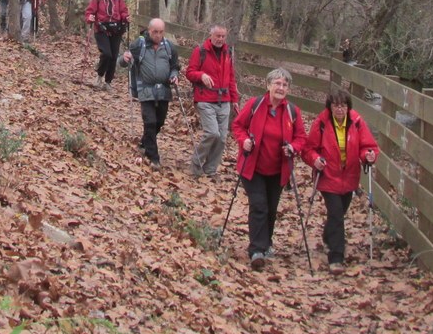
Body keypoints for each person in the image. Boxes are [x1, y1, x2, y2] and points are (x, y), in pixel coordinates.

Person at [231, 68, 307, 268]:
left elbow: (301, 138)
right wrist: (244, 140)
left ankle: (266, 243)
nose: (281, 88)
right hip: (253, 167)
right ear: (268, 85)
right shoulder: (255, 105)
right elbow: (238, 126)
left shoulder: (292, 111)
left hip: (278, 169)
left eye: (284, 85)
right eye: (277, 84)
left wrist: (293, 148)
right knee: (259, 206)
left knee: (271, 209)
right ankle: (256, 249)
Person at [301, 85, 379, 274]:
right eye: (336, 106)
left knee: (339, 213)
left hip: (350, 177)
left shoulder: (357, 122)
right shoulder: (322, 122)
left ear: (348, 107)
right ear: (330, 107)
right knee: (336, 213)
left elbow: (368, 146)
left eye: (343, 105)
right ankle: (336, 258)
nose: (339, 109)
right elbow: (308, 150)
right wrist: (315, 160)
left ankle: (328, 237)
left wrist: (369, 155)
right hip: (328, 176)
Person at [122, 18, 180, 169]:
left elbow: (175, 66)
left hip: (164, 90)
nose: (158, 35)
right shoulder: (138, 45)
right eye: (155, 32)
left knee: (159, 122)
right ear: (149, 31)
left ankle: (143, 143)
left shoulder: (169, 47)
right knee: (150, 121)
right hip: (145, 89)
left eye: (161, 32)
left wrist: (174, 75)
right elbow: (122, 61)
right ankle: (153, 157)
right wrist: (124, 58)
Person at [186, 24, 240, 179]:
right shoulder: (200, 51)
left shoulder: (228, 52)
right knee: (212, 133)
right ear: (211, 35)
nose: (220, 39)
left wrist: (234, 99)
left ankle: (210, 169)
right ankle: (196, 164)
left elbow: (231, 77)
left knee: (222, 137)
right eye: (218, 36)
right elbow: (190, 72)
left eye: (223, 36)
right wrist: (201, 75)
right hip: (205, 99)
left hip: (224, 101)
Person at [84, 0, 129, 90]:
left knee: (114, 56)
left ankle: (108, 82)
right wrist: (90, 17)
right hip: (101, 28)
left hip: (116, 29)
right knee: (107, 54)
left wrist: (126, 17)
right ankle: (99, 76)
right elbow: (89, 11)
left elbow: (123, 11)